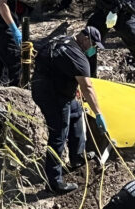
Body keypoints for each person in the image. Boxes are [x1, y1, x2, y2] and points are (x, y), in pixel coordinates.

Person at [31, 26, 108, 195]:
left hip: (47, 87)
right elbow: (87, 87)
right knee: (59, 133)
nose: (94, 50)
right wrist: (99, 114)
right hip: (52, 95)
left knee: (75, 112)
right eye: (94, 46)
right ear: (86, 39)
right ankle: (54, 183)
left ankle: (76, 157)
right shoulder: (78, 57)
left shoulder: (61, 40)